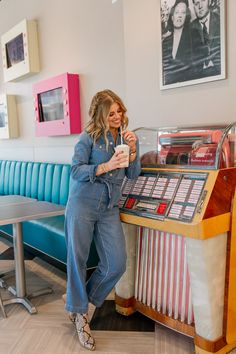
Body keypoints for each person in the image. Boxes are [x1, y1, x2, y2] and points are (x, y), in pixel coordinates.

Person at [64, 89, 141, 350]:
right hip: (82, 204)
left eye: (120, 111)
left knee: (117, 263)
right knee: (78, 260)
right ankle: (80, 317)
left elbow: (132, 173)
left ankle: (80, 304)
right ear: (101, 114)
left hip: (109, 207)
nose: (118, 116)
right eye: (111, 113)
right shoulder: (88, 138)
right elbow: (74, 170)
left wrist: (132, 149)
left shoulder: (127, 137)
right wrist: (104, 166)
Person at [162, 0, 193, 85]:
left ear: (186, 17)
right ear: (172, 17)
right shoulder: (165, 42)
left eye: (183, 13)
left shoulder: (193, 38)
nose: (179, 16)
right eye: (176, 12)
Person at [191, 0, 221, 79]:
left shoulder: (221, 21)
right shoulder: (188, 30)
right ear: (193, 6)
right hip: (198, 78)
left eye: (203, 1)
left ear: (209, 1)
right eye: (196, 3)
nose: (200, 6)